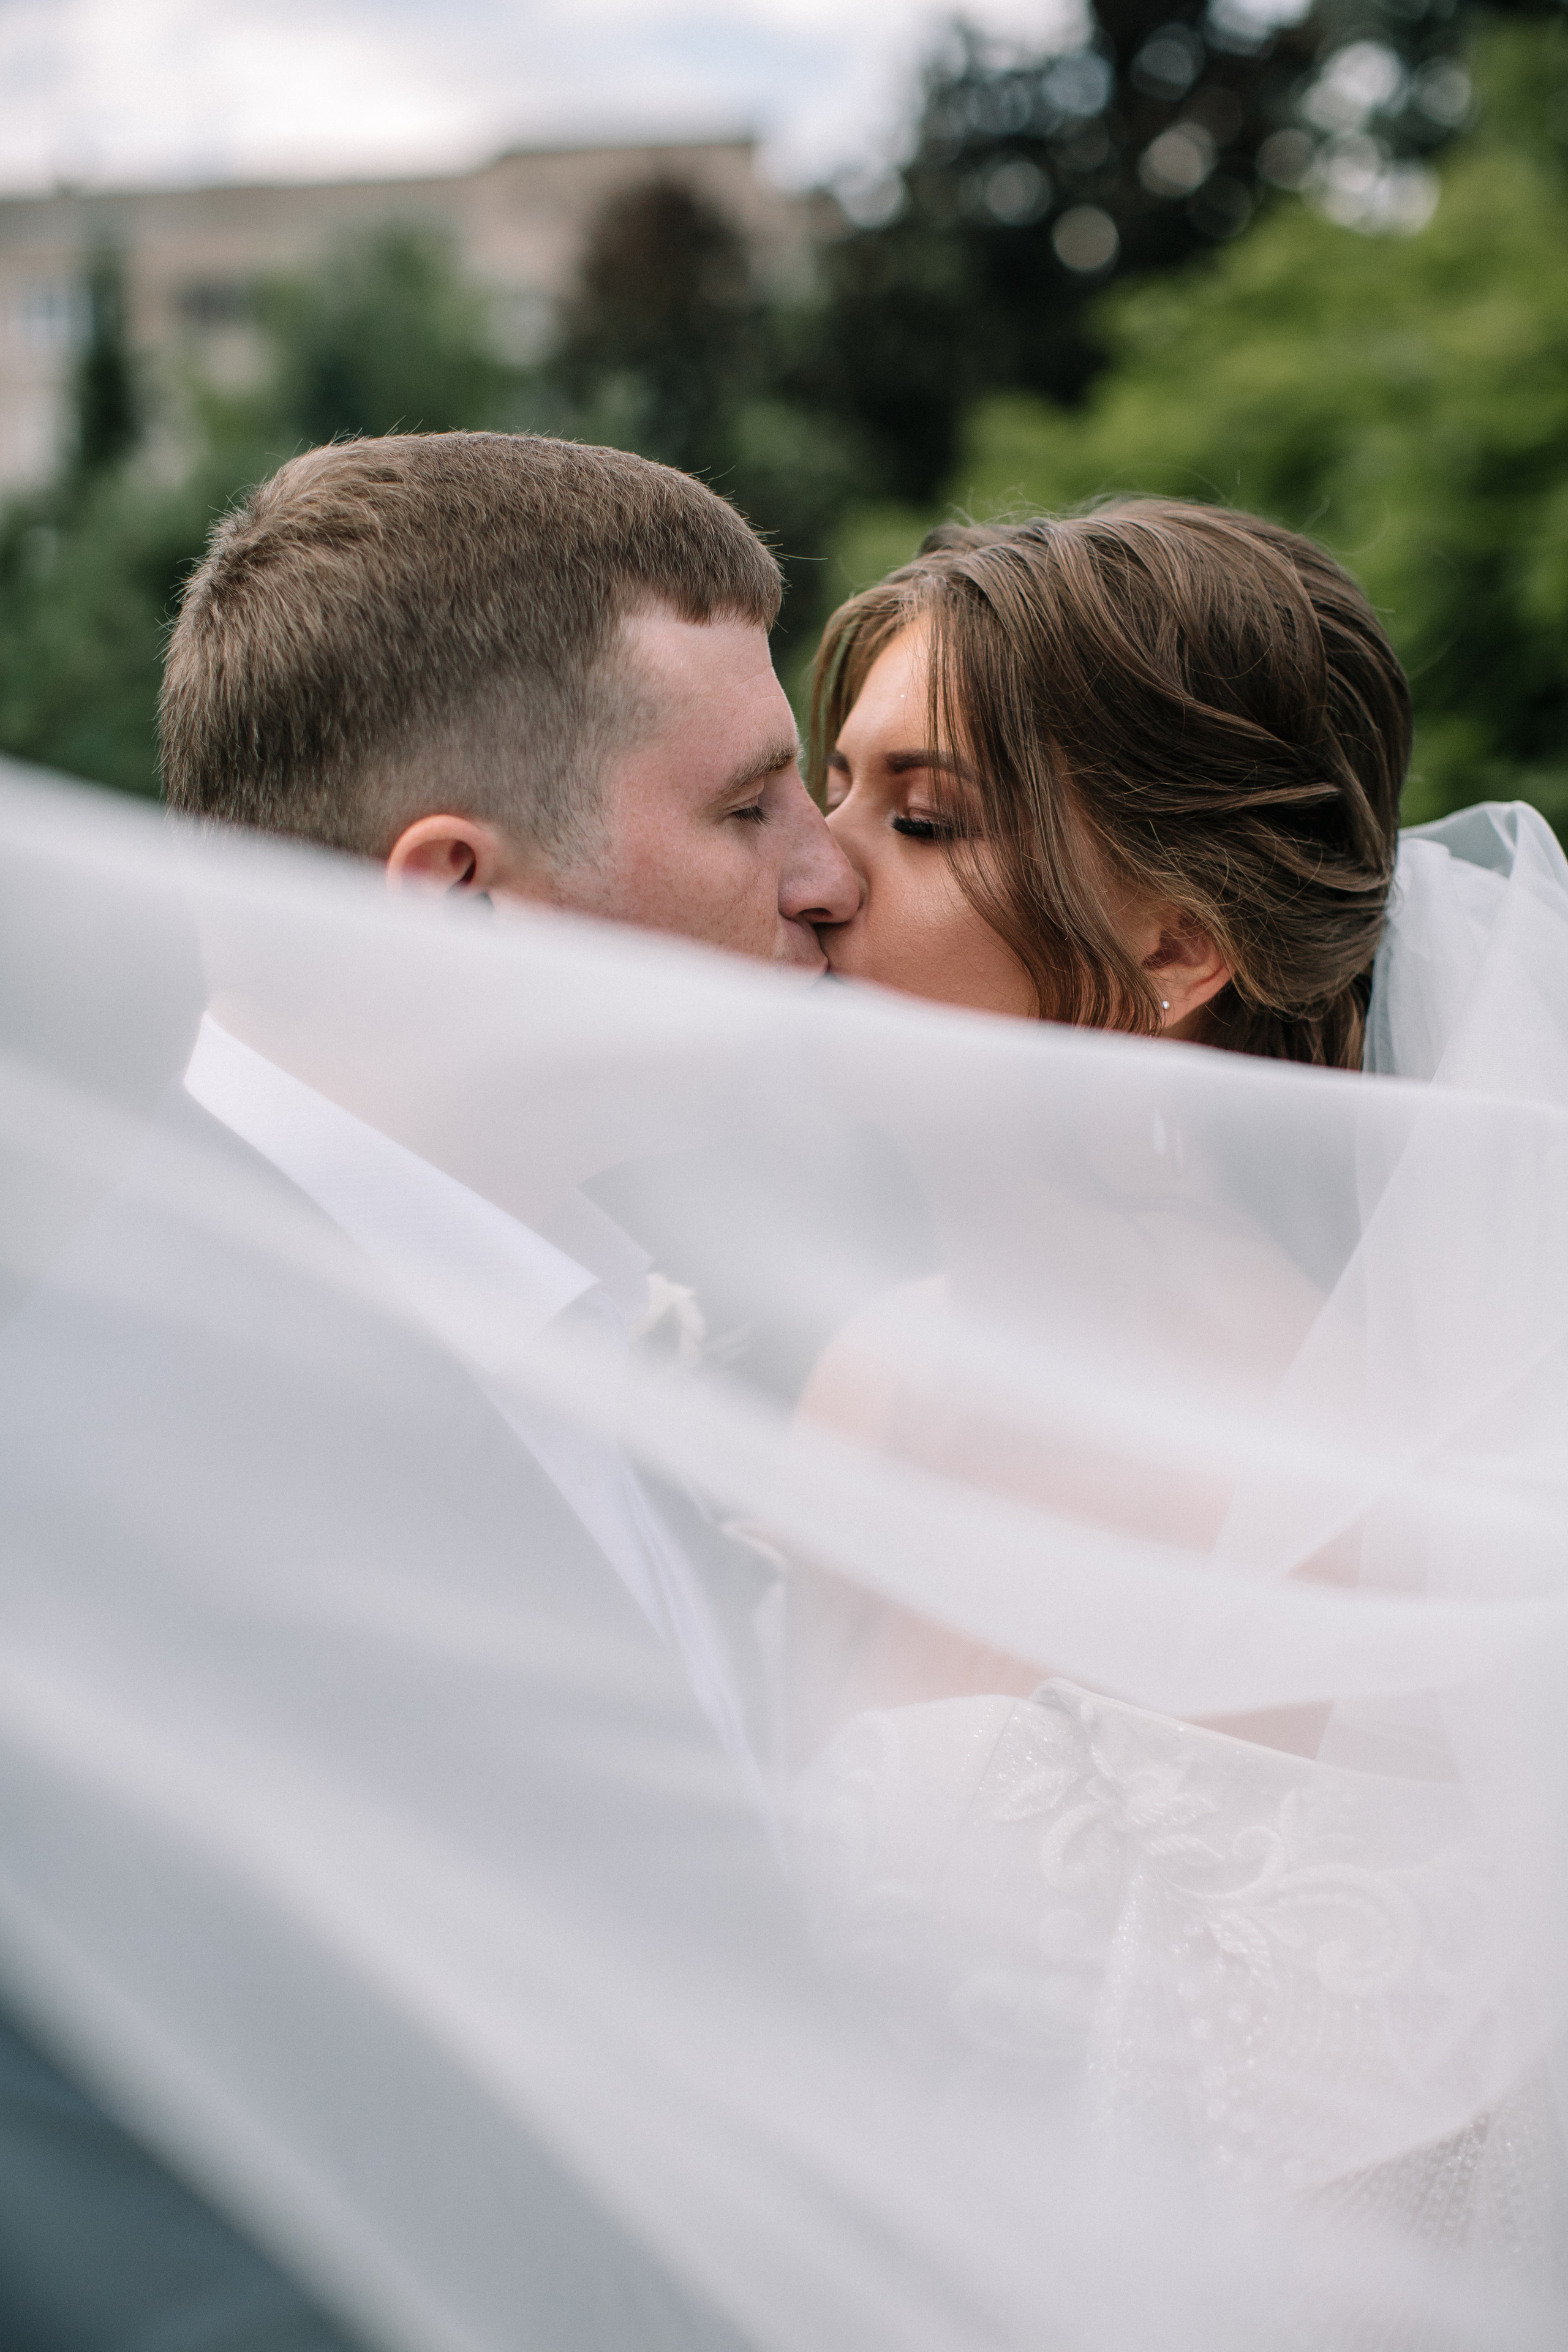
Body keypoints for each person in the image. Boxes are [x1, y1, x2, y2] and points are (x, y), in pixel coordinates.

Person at [0, 429, 858, 2352]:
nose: (832, 878)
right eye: (749, 811)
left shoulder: (636, 1346)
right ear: (459, 892)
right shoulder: (83, 1485)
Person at [783, 502, 1568, 2269]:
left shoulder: (1430, 1491)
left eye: (920, 820)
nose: (812, 876)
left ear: (1174, 951)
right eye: (827, 794)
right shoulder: (869, 1383)